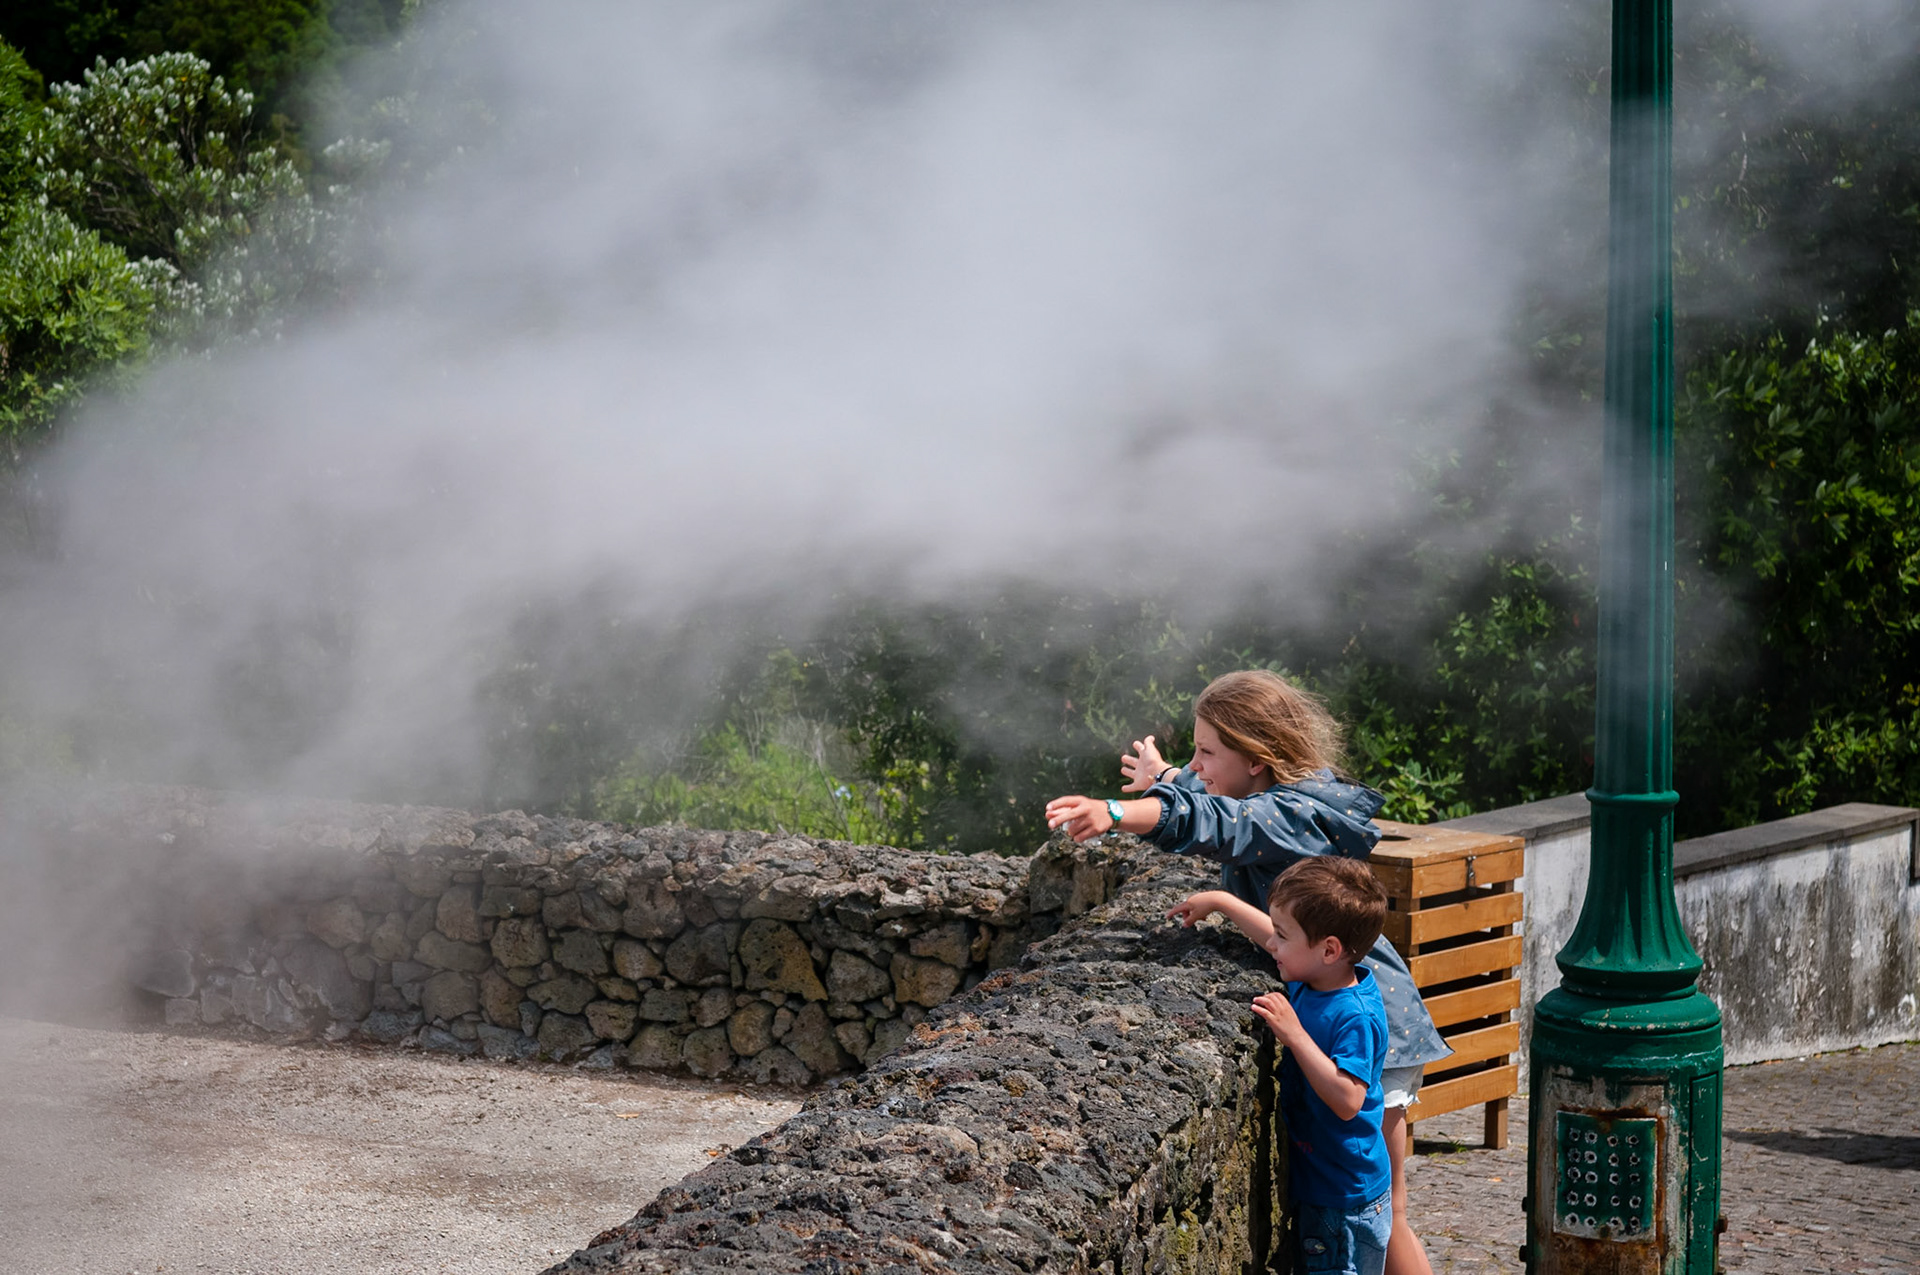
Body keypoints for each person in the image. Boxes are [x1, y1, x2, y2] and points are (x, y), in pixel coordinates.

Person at [1044, 669, 1444, 1275]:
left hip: (1372, 1019)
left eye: (1207, 750)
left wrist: (1116, 811)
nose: (1196, 761)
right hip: (1346, 1006)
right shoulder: (1278, 796)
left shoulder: (1289, 815)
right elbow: (1220, 799)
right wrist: (1168, 778)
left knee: (1388, 1216)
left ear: (1257, 758)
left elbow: (1227, 824)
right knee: (1383, 1214)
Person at [1168, 857, 1394, 1275]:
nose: (1271, 945)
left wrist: (1295, 1035)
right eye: (1275, 932)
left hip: (1345, 1199)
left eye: (1282, 936)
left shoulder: (1354, 1014)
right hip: (1324, 1186)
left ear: (1330, 949)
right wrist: (1221, 902)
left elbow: (1348, 1099)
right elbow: (1273, 933)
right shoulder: (1316, 976)